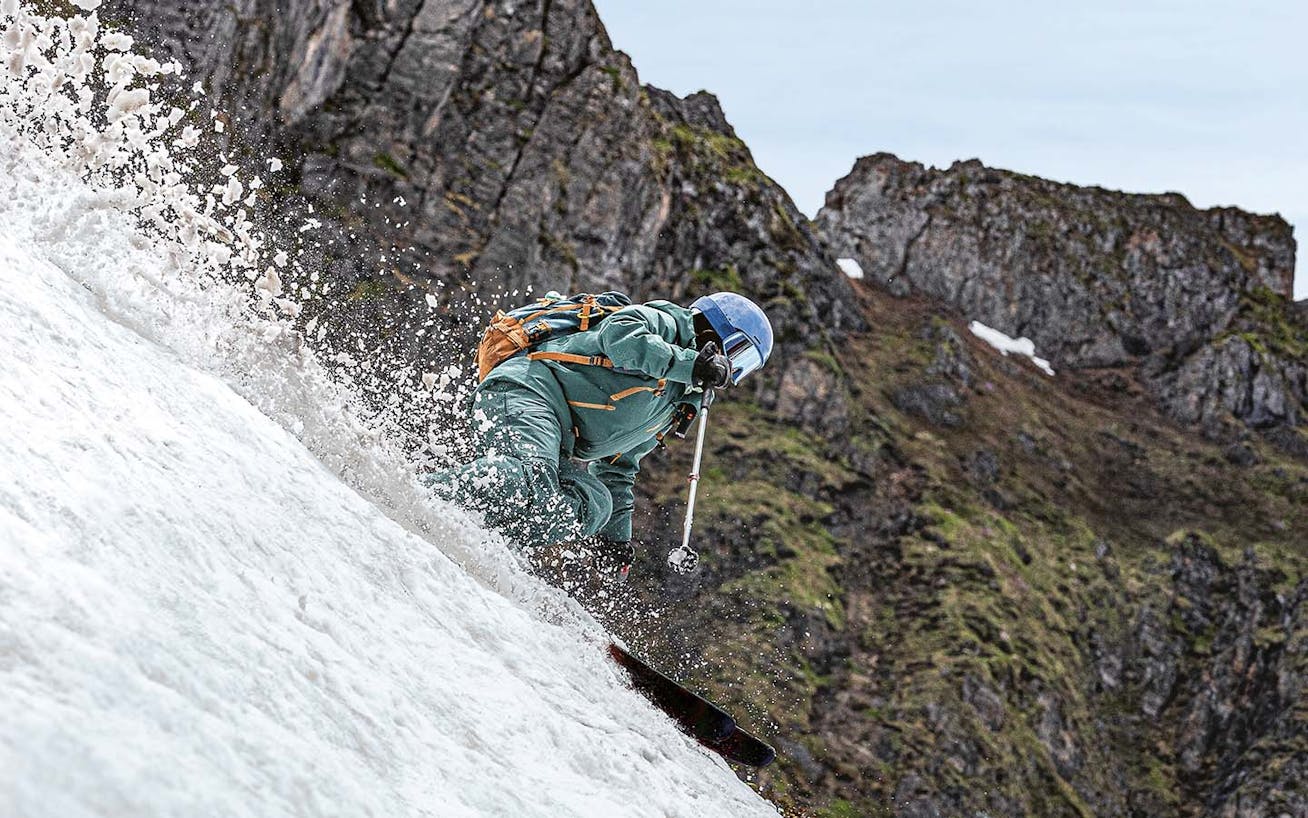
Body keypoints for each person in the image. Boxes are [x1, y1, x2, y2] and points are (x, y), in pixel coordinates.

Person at [426, 291, 773, 579]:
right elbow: (619, 338)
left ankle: (475, 536)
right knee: (532, 477)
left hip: (557, 439)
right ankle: (425, 496)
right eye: (738, 355)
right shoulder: (663, 324)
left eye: (743, 369)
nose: (731, 372)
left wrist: (615, 541)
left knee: (595, 503)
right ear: (718, 330)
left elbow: (618, 468)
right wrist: (691, 364)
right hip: (527, 390)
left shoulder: (678, 403)